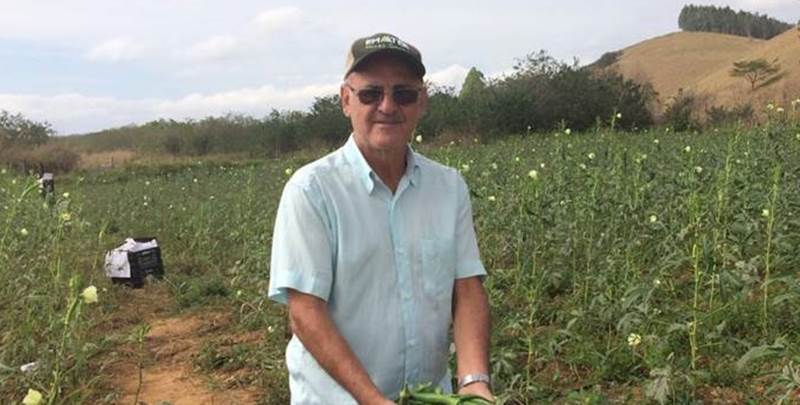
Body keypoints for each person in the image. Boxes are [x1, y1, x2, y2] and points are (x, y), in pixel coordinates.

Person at [268, 32, 493, 404]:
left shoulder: (448, 187)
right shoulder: (312, 190)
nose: (388, 106)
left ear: (422, 101)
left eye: (403, 94)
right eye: (371, 94)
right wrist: (373, 399)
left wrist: (473, 380)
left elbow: (467, 288)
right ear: (345, 100)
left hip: (426, 396)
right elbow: (306, 312)